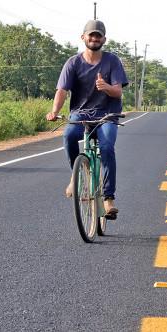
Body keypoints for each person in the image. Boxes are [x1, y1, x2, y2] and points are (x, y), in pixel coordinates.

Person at [46, 20, 129, 220]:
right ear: (83, 37)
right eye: (91, 35)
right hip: (81, 113)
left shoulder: (112, 61)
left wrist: (106, 86)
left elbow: (118, 92)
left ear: (104, 39)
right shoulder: (73, 63)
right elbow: (62, 90)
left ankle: (109, 198)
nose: (94, 38)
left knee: (107, 147)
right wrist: (55, 110)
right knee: (68, 136)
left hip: (107, 114)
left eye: (98, 35)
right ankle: (76, 176)